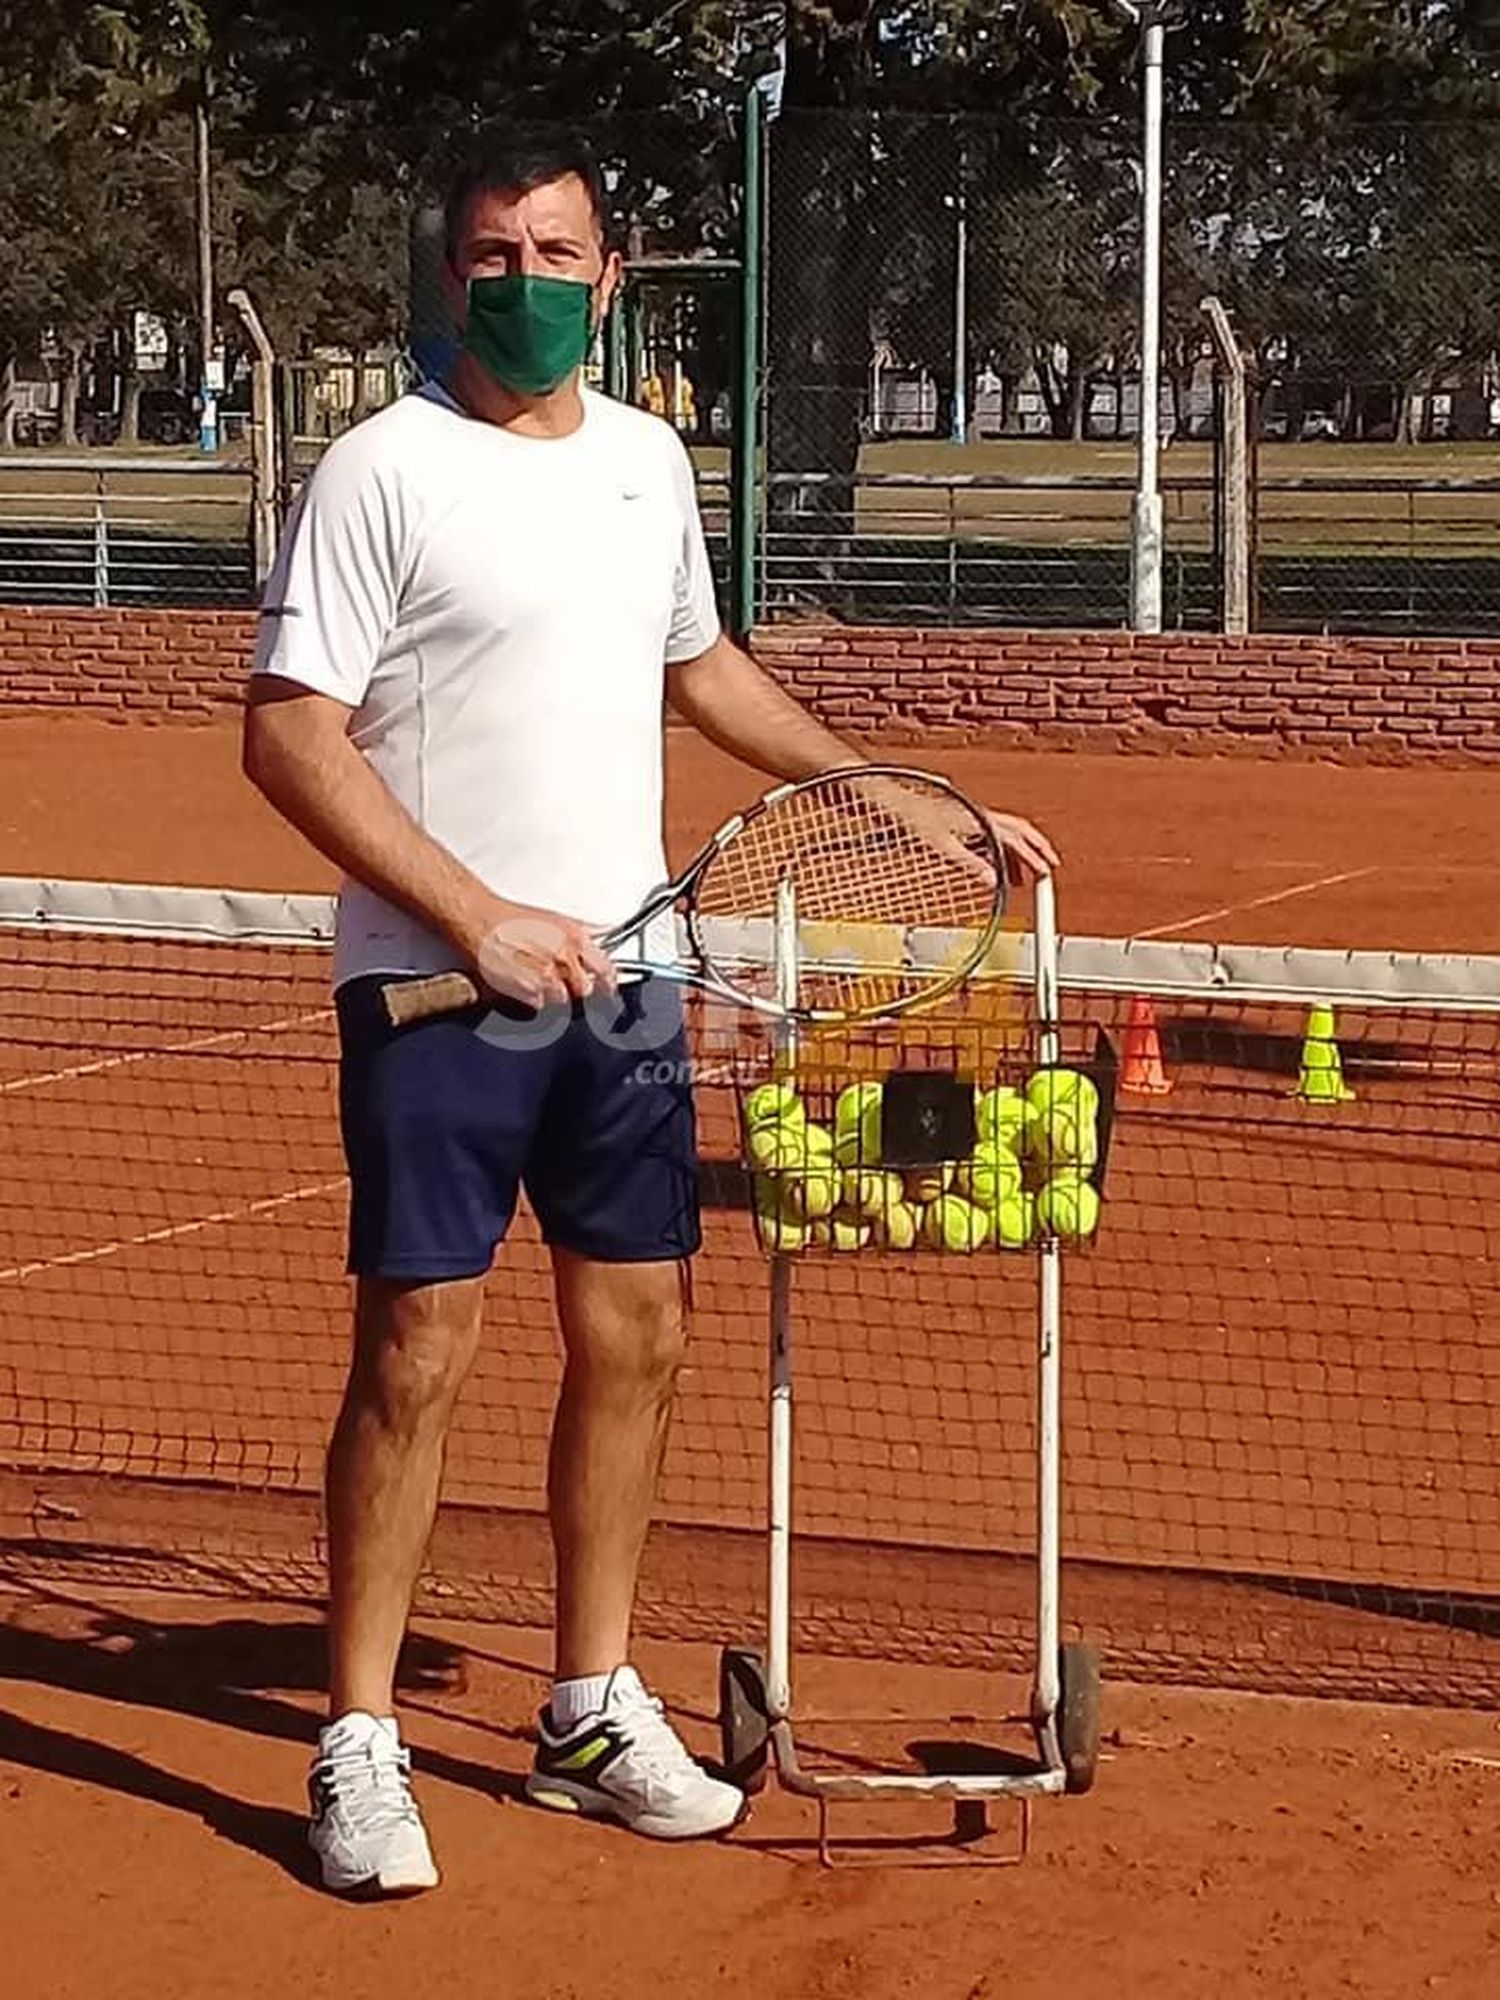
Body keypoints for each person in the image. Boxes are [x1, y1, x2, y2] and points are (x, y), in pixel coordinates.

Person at [243, 128, 1058, 1899]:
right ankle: (360, 1737)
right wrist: (479, 915)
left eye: (556, 253)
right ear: (447, 276)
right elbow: (289, 730)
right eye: (490, 255)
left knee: (643, 1339)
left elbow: (697, 667)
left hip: (627, 991)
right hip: (434, 988)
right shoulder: (382, 471)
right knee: (418, 1358)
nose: (523, 283)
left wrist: (885, 791)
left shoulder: (644, 464)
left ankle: (587, 1707)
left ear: (613, 278)